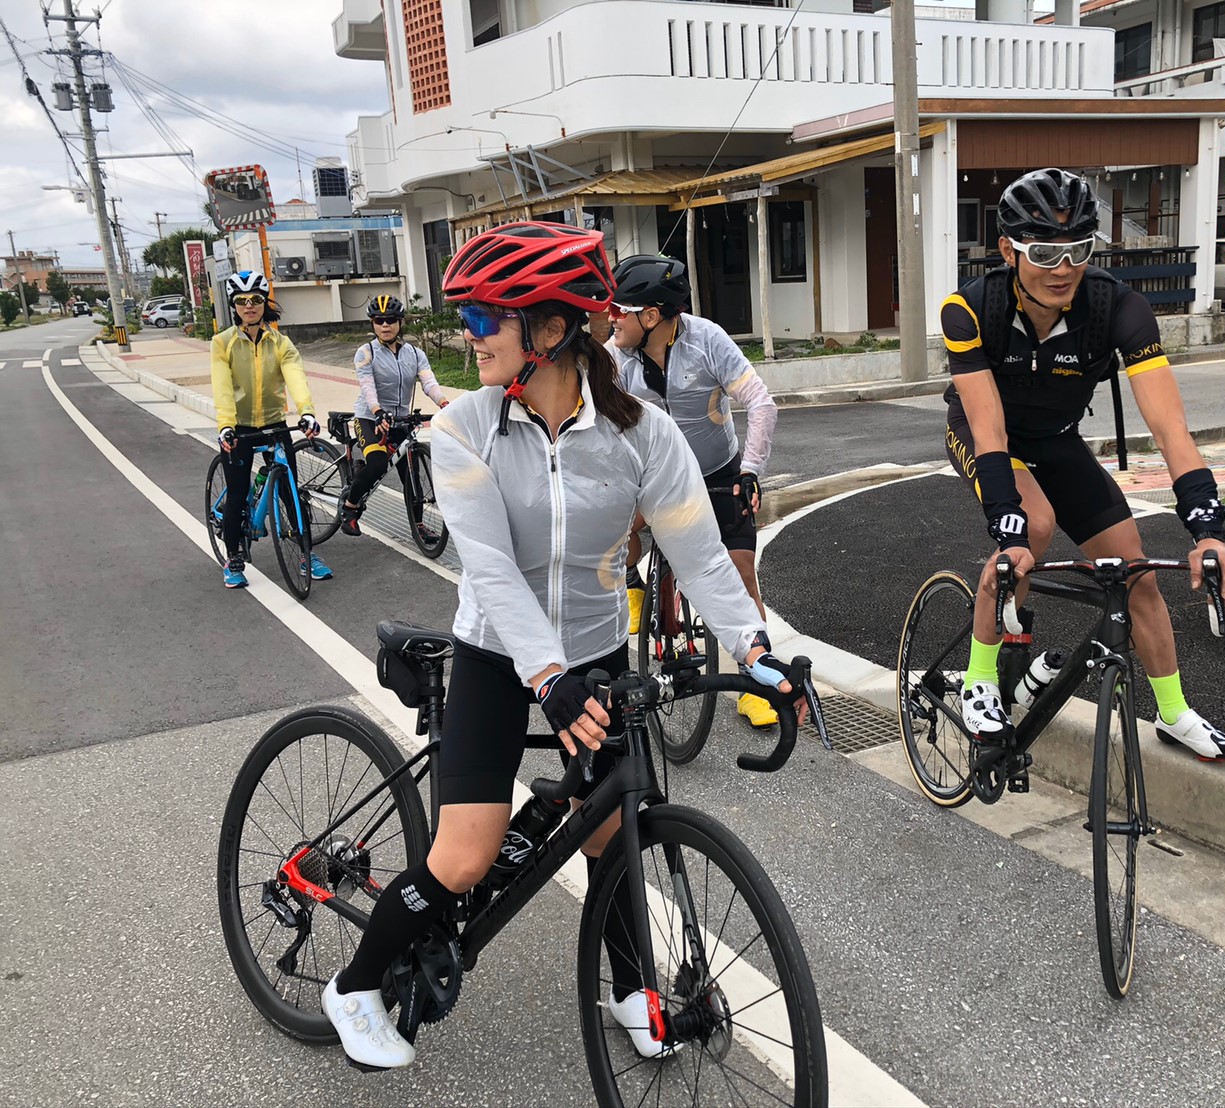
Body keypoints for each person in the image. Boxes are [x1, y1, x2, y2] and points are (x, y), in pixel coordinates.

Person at [320, 221, 803, 1070]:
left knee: (612, 831)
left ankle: (630, 992)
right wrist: (546, 677)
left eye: (482, 320)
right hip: (498, 655)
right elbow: (493, 572)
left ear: (548, 330)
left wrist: (756, 647)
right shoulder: (464, 428)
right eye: (465, 320)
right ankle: (355, 984)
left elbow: (697, 546)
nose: (467, 339)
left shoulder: (643, 433)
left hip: (592, 649)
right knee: (466, 855)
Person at [940, 168, 1225, 761]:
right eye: (1045, 253)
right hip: (985, 435)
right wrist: (1004, 526)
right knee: (1030, 528)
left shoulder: (1118, 307)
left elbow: (1169, 427)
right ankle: (979, 678)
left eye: (1078, 251)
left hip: (1057, 440)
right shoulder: (970, 311)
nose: (1064, 269)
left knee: (1135, 573)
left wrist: (1209, 532)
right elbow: (990, 429)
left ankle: (1175, 713)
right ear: (1008, 249)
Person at [608, 254, 782, 729]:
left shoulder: (708, 340)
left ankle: (757, 681)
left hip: (717, 470)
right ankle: (635, 585)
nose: (610, 316)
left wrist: (749, 471)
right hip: (655, 478)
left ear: (651, 315)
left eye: (619, 308)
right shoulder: (615, 356)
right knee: (613, 537)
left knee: (742, 572)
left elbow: (760, 404)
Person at [210, 270, 330, 589]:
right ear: (233, 305)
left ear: (264, 303)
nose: (249, 306)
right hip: (239, 428)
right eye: (242, 301)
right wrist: (225, 426)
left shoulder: (281, 343)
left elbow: (295, 377)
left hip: (275, 424)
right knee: (237, 494)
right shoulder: (222, 343)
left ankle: (306, 553)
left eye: (256, 300)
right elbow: (222, 388)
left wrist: (306, 412)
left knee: (291, 491)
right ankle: (233, 555)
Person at [339, 294, 450, 541]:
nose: (385, 325)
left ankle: (419, 525)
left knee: (411, 474)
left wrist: (444, 403)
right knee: (378, 464)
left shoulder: (414, 353)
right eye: (379, 321)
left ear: (400, 322)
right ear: (373, 324)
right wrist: (377, 412)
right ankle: (350, 508)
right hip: (370, 417)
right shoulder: (365, 352)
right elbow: (367, 385)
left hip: (400, 418)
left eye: (390, 320)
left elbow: (428, 381)